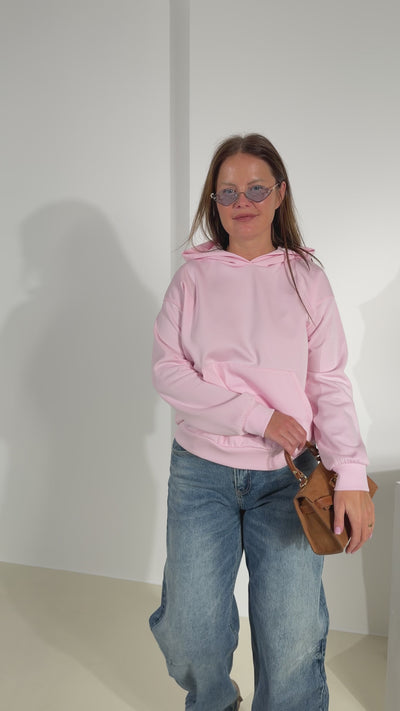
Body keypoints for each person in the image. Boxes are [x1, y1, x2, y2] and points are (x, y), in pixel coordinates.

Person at [149, 133, 375, 711]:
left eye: (255, 188)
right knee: (190, 632)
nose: (241, 202)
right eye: (227, 192)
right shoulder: (192, 279)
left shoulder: (306, 279)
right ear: (214, 202)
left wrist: (350, 473)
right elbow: (169, 373)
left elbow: (329, 381)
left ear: (279, 194)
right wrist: (258, 415)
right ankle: (216, 702)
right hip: (201, 474)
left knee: (291, 640)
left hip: (288, 479)